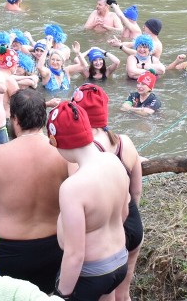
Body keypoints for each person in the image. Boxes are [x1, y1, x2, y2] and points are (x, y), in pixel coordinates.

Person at [0, 88, 69, 293]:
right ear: (44, 116)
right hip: (54, 247)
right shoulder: (62, 153)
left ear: (14, 119)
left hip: (11, 251)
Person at [46, 100, 129, 299]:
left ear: (59, 143)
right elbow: (124, 212)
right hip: (120, 261)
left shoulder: (72, 187)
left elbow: (75, 254)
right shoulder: (113, 161)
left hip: (91, 273)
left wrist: (61, 295)